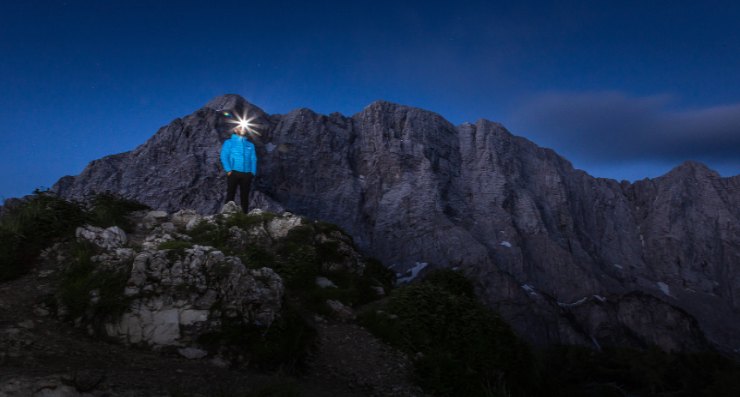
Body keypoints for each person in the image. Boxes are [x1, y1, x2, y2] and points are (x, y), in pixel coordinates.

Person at [220, 120, 257, 213]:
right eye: (240, 127)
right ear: (235, 130)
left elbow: (254, 158)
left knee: (245, 196)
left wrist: (253, 172)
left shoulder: (250, 145)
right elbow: (224, 156)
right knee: (230, 194)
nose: (243, 129)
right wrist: (228, 170)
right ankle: (226, 215)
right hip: (234, 172)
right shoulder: (229, 142)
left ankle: (244, 216)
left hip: (247, 173)